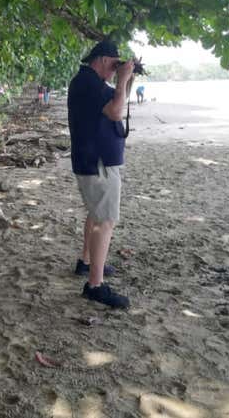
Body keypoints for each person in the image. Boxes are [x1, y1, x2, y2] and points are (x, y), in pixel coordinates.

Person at [68, 40, 135, 309]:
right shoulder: (89, 83)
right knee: (105, 220)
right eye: (114, 65)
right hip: (98, 163)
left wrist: (125, 80)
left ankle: (86, 263)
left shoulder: (87, 82)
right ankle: (95, 285)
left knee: (96, 215)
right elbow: (116, 111)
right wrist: (123, 80)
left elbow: (116, 100)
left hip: (93, 160)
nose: (114, 71)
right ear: (104, 60)